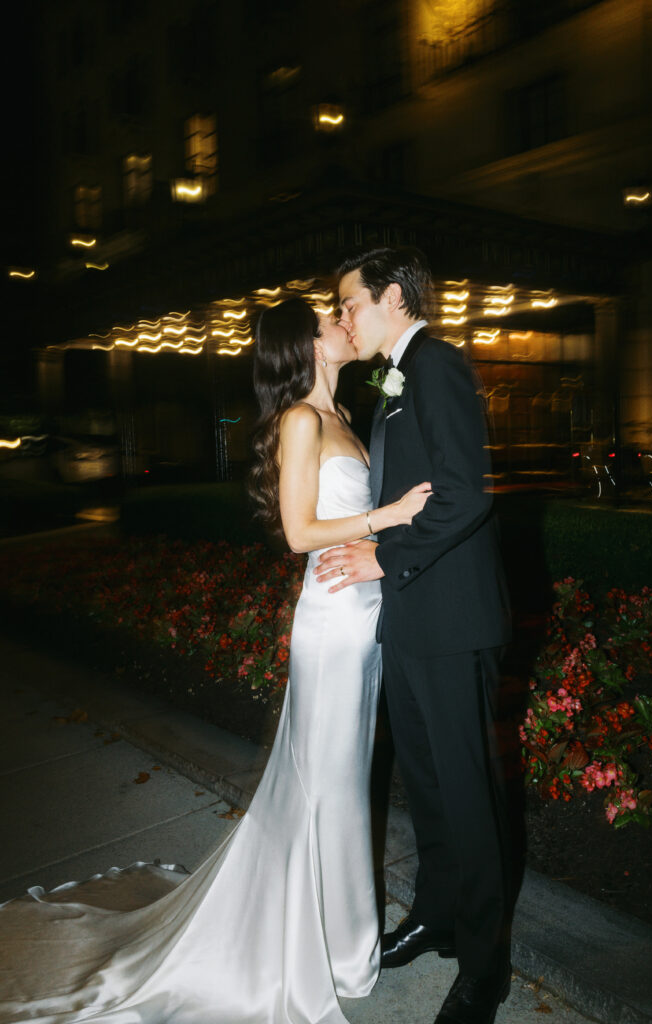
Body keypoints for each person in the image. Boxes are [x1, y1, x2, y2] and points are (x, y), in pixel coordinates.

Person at [0, 297, 429, 1024]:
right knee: (325, 786)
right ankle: (307, 951)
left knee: (343, 784)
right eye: (331, 322)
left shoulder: (345, 418)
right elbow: (299, 533)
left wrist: (382, 545)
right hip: (330, 627)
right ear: (308, 346)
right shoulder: (300, 419)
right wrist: (385, 519)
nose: (343, 326)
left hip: (363, 622)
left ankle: (338, 940)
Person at [315, 248, 513, 1024]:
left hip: (452, 617)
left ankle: (484, 969)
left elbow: (466, 495)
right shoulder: (396, 378)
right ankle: (437, 917)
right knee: (428, 786)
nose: (342, 319)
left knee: (465, 794)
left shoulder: (434, 364)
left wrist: (379, 555)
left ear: (392, 297)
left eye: (349, 304)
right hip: (411, 615)